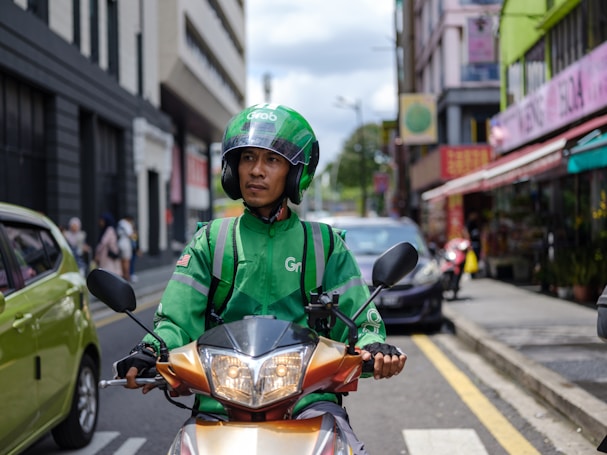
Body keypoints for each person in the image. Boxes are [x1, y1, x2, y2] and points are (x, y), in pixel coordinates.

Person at [114, 104, 406, 454]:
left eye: (272, 160)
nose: (256, 171)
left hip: (306, 402)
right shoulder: (212, 240)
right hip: (219, 402)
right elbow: (176, 320)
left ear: (296, 172)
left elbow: (359, 321)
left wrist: (375, 346)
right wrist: (150, 349)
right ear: (232, 169)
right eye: (247, 158)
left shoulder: (324, 245)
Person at [94, 212, 122, 276]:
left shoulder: (109, 230)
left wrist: (97, 253)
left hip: (108, 256)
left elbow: (103, 242)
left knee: (109, 272)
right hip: (107, 255)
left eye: (102, 220)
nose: (100, 222)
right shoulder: (108, 229)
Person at [117, 216, 134, 281]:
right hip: (126, 243)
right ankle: (126, 276)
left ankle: (123, 275)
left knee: (122, 260)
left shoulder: (120, 223)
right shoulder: (127, 224)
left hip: (120, 242)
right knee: (126, 261)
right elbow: (130, 235)